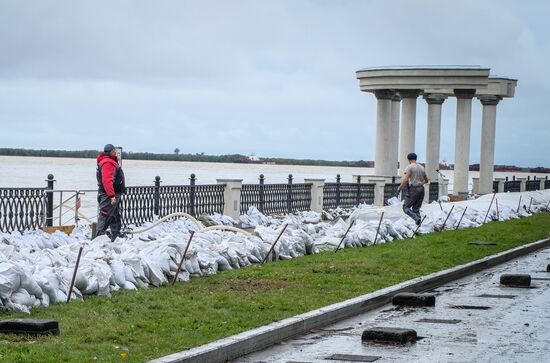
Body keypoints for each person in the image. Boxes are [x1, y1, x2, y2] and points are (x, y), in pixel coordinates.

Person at [96, 144, 125, 241]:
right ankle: (99, 237)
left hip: (112, 193)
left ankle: (116, 235)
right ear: (109, 152)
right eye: (114, 151)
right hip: (108, 194)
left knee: (114, 214)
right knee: (105, 214)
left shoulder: (109, 161)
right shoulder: (108, 162)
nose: (116, 153)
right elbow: (107, 181)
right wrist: (112, 195)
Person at [396, 152, 429, 226]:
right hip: (421, 189)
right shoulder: (422, 167)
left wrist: (399, 189)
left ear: (408, 159)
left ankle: (416, 218)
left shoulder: (410, 167)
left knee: (405, 207)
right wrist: (420, 184)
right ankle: (419, 225)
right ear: (416, 158)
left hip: (413, 190)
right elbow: (426, 180)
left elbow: (405, 180)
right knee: (416, 209)